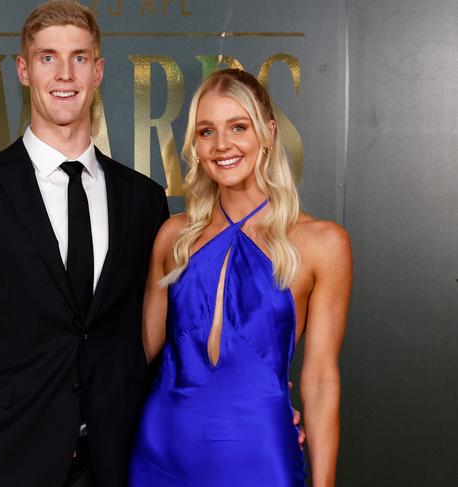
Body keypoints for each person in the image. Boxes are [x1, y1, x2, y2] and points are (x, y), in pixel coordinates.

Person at [0, 1, 169, 486]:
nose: (64, 73)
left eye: (80, 57)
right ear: (25, 71)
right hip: (1, 461)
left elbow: (160, 340)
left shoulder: (144, 200)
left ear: (98, 70)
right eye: (48, 57)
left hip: (117, 463)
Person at [129, 69, 352, 486]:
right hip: (161, 454)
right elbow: (134, 358)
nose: (222, 145)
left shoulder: (322, 243)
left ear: (268, 133)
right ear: (195, 145)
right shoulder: (174, 236)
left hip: (260, 455)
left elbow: (321, 378)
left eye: (238, 127)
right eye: (206, 131)